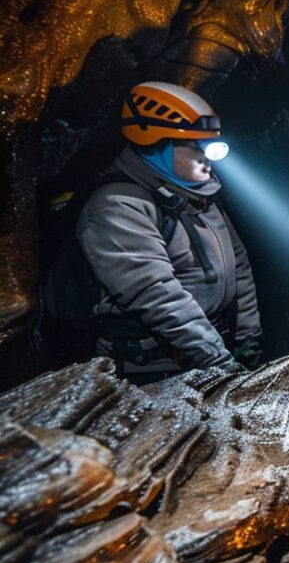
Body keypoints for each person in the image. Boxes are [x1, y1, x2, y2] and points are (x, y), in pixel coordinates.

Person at [76, 81, 261, 382]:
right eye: (195, 146)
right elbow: (157, 295)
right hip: (153, 366)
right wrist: (218, 361)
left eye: (211, 144)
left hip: (209, 348)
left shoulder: (196, 194)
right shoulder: (117, 206)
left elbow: (238, 266)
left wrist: (247, 340)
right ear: (156, 145)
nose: (209, 157)